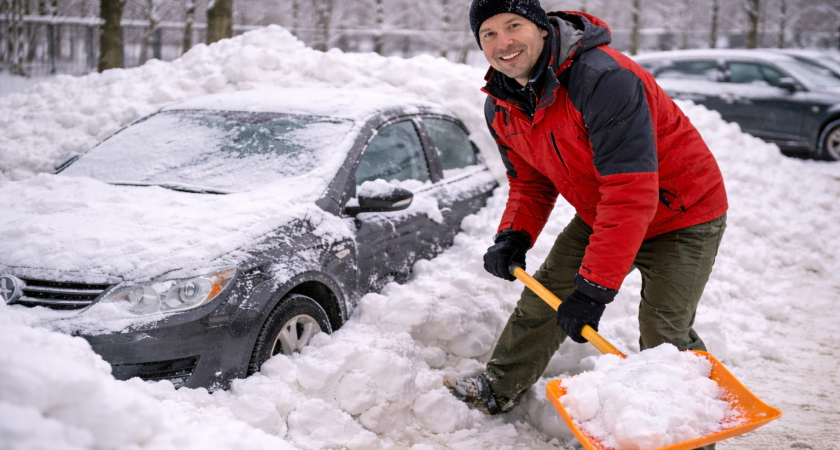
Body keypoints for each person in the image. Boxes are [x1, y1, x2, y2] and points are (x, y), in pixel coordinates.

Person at [444, 2, 727, 448]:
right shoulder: (501, 105)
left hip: (682, 213)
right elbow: (530, 182)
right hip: (603, 209)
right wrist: (513, 234)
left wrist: (593, 290)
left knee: (664, 334)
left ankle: (692, 434)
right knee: (545, 298)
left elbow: (632, 192)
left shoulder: (603, 79)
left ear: (540, 27)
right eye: (489, 34)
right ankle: (498, 387)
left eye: (513, 26)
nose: (503, 43)